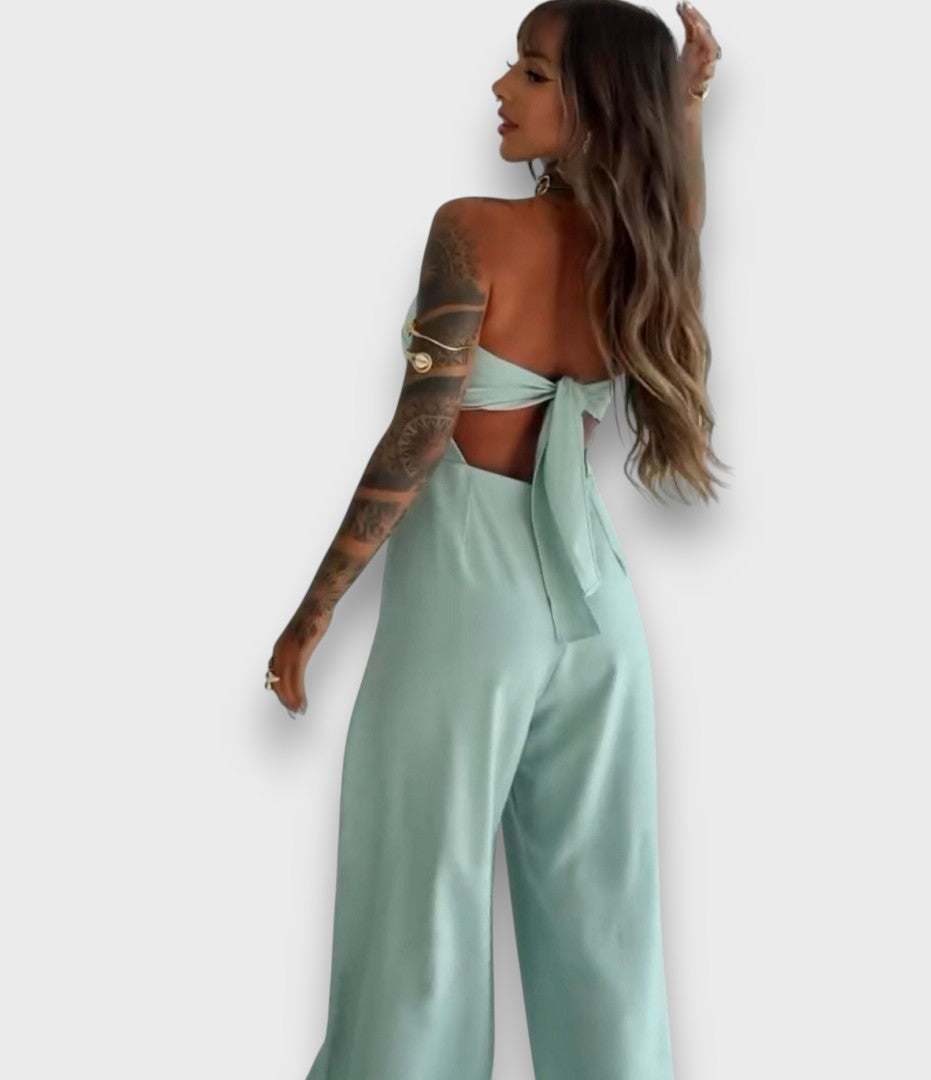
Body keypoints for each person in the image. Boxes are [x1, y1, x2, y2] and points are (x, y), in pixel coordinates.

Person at [267, 2, 726, 1076]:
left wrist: (315, 607)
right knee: (606, 919)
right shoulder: (643, 248)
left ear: (595, 104)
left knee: (416, 897)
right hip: (598, 608)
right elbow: (681, 210)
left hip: (472, 601)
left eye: (532, 71)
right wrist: (686, 110)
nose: (501, 89)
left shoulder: (472, 228)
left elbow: (421, 432)